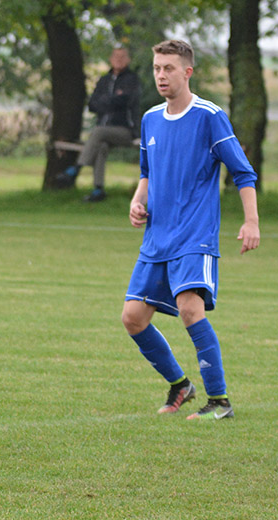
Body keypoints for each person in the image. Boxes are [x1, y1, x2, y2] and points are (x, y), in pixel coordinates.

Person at [122, 40, 260, 421]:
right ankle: (180, 385)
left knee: (189, 308)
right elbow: (147, 172)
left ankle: (220, 401)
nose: (161, 75)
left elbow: (244, 172)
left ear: (187, 72)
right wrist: (138, 201)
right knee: (133, 318)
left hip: (194, 236)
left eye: (168, 68)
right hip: (157, 237)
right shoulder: (150, 118)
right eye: (156, 68)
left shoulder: (208, 116)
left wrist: (251, 221)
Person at [61, 47, 141, 202]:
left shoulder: (132, 80)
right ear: (110, 59)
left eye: (122, 56)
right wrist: (111, 100)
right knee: (101, 146)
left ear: (128, 60)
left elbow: (125, 101)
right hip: (104, 131)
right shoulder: (104, 80)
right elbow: (92, 104)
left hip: (125, 130)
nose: (118, 59)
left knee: (98, 132)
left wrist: (105, 101)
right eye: (115, 56)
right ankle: (98, 189)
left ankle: (76, 168)